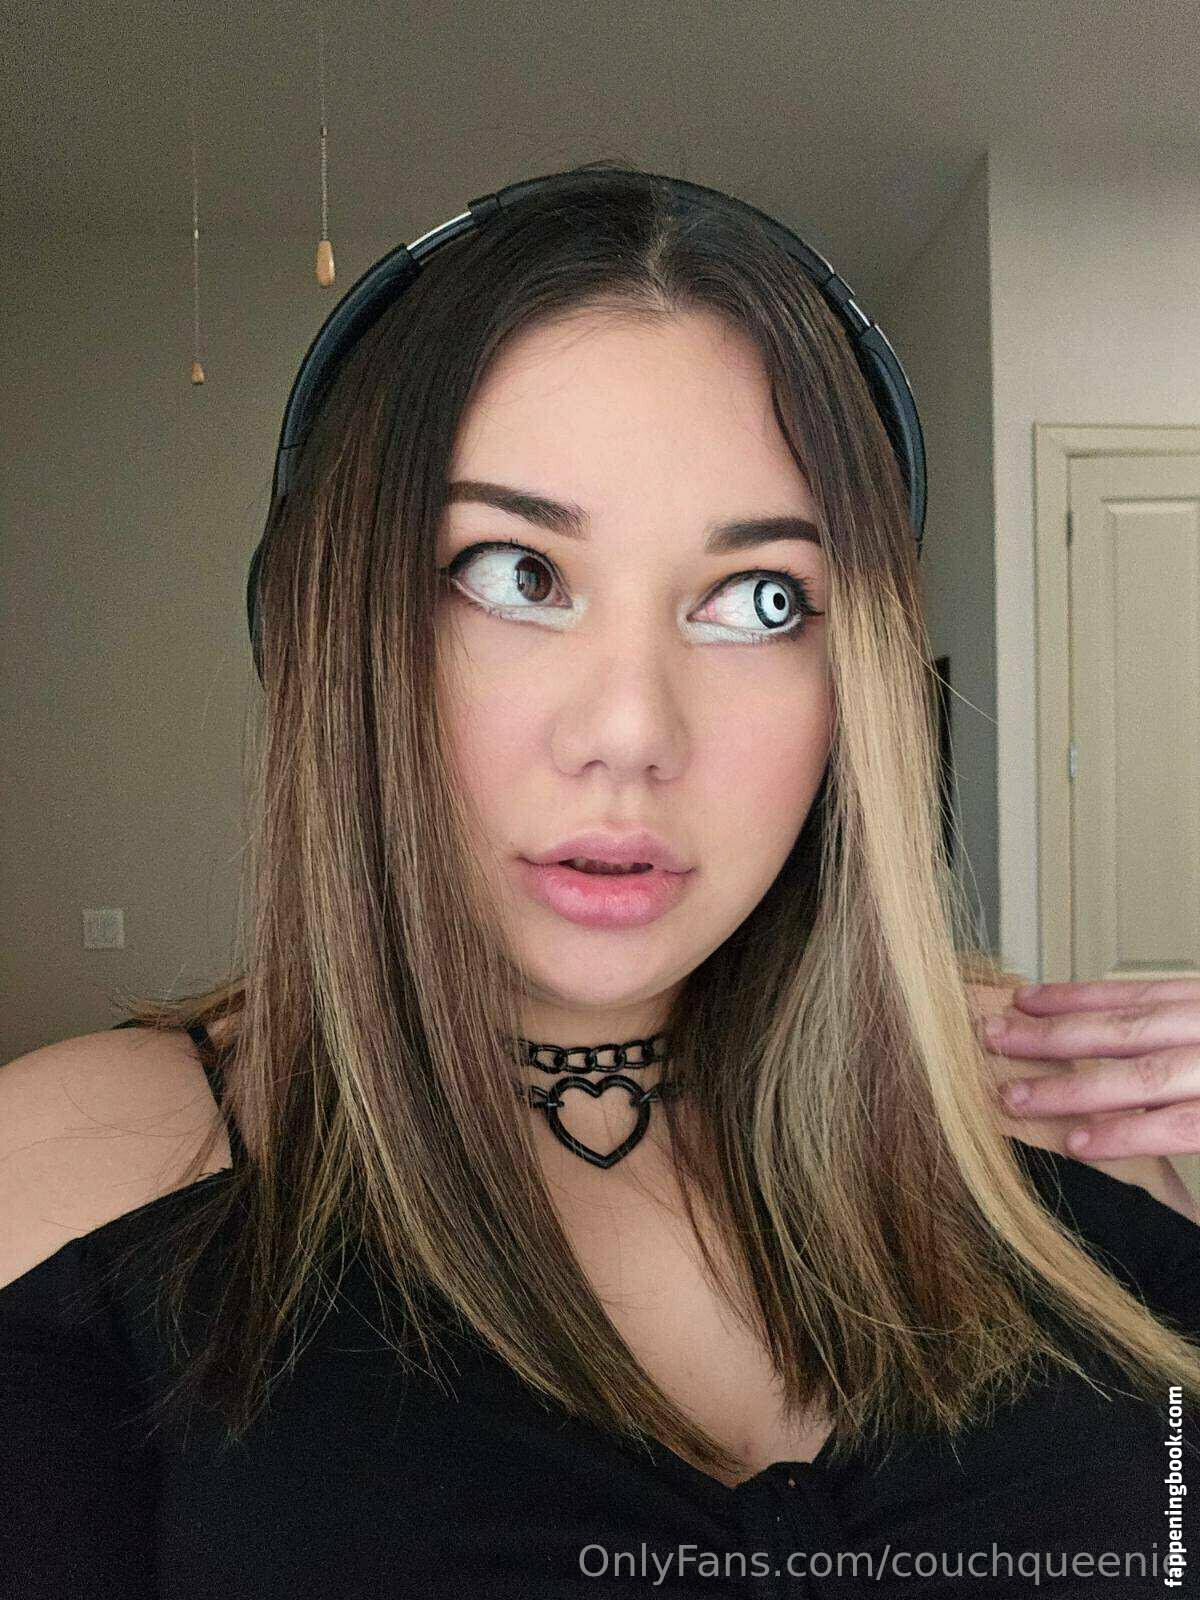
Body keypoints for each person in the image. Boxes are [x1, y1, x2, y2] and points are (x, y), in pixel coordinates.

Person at [2, 160, 1198, 1598]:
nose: (632, 732)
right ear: (328, 629)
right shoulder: (76, 1180)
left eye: (760, 601)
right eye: (514, 573)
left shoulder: (1068, 1130)